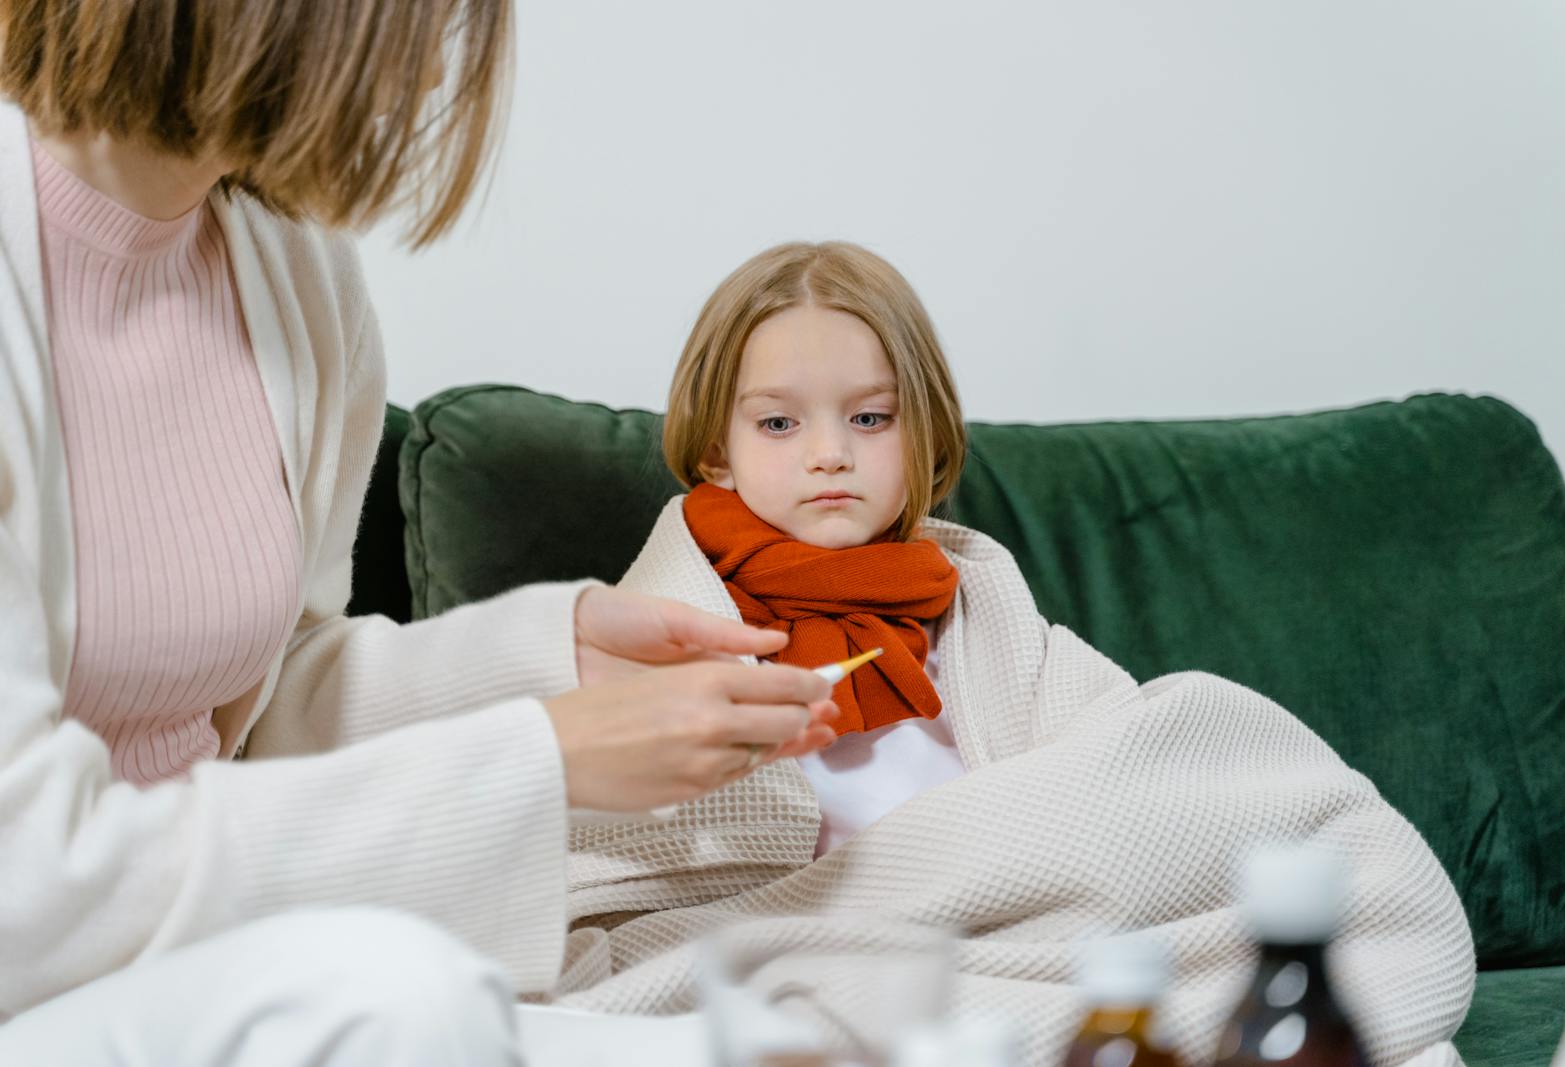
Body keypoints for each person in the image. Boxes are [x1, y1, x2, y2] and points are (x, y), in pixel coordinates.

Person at [0, 3, 837, 1064]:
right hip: (37, 974)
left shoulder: (292, 269)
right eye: (418, 26)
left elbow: (260, 705)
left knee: (769, 1042)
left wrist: (550, 667)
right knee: (401, 996)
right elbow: (24, 884)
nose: (436, 83)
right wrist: (537, 758)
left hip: (186, 964)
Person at [557, 242, 1475, 1067]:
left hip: (1017, 941)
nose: (830, 454)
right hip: (821, 955)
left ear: (925, 433)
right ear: (717, 450)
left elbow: (1126, 780)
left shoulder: (978, 608)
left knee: (1322, 872)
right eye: (780, 424)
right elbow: (608, 873)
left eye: (871, 420)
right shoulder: (651, 638)